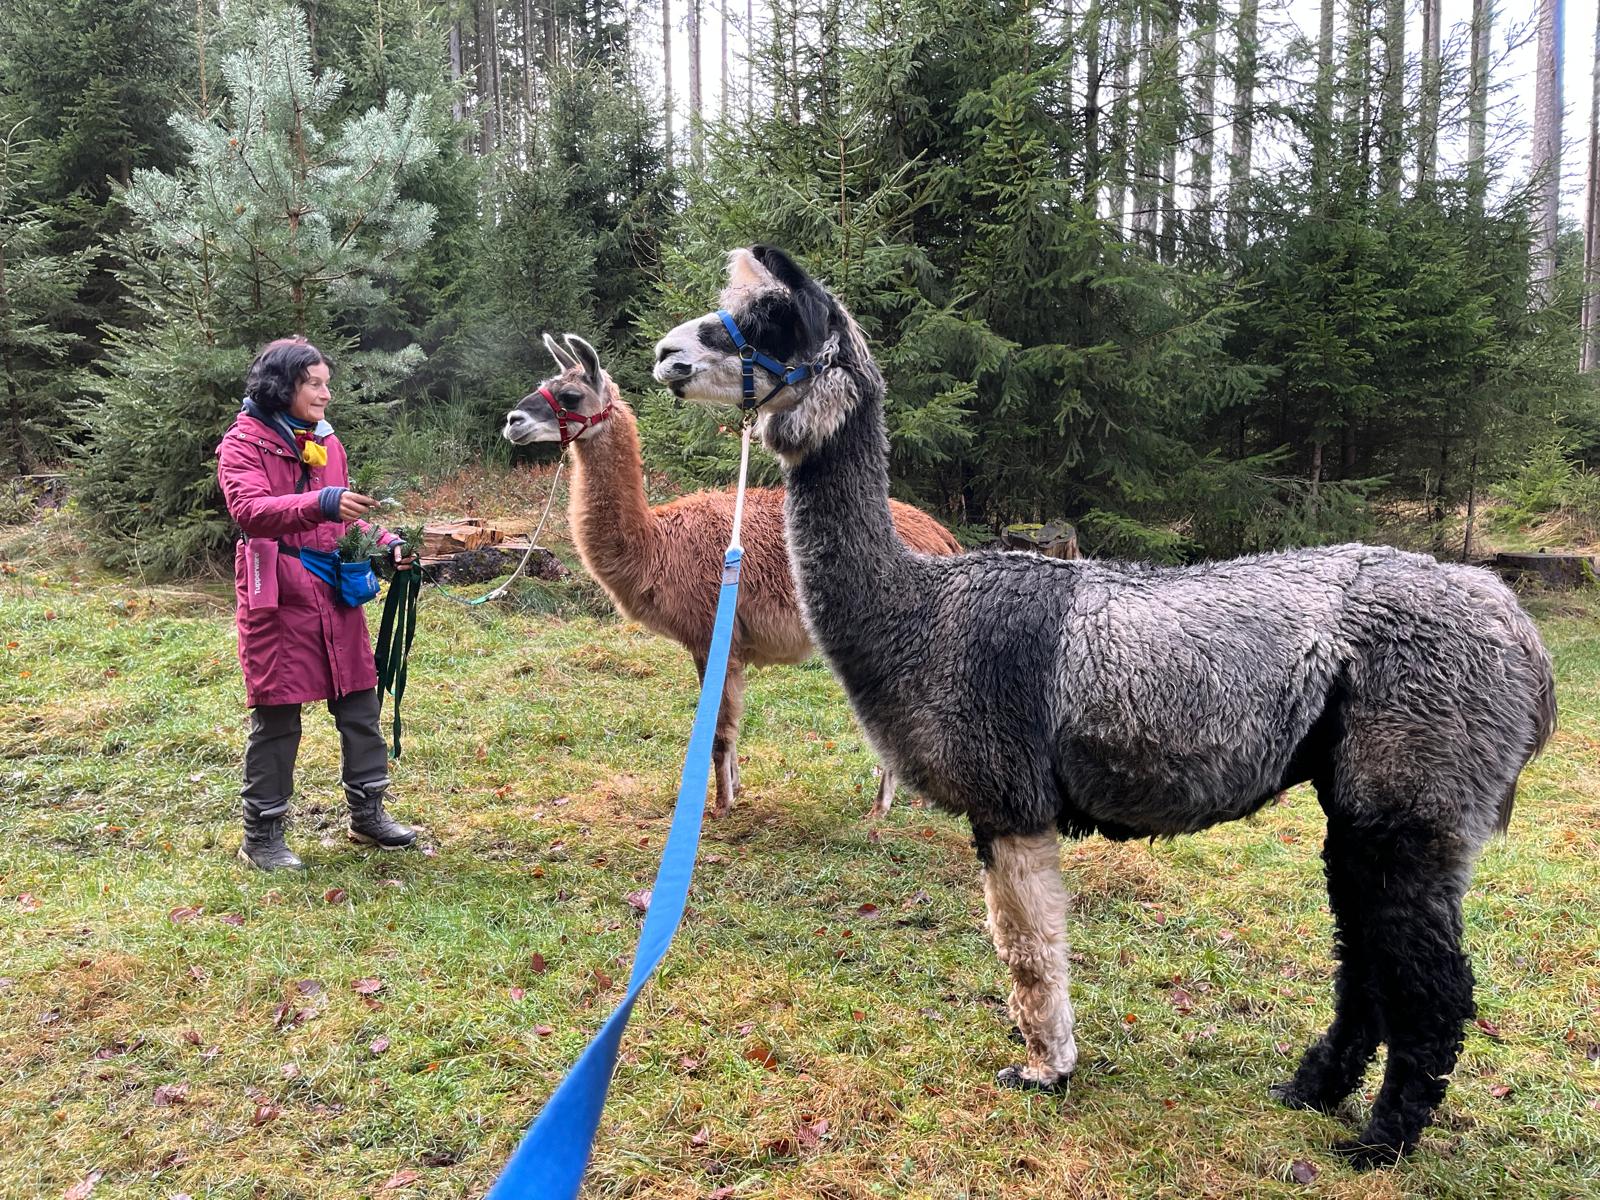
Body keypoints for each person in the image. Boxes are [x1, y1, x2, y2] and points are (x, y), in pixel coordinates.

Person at [216, 337, 417, 871]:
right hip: (278, 596)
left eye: (327, 384)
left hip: (334, 594)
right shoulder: (243, 443)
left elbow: (345, 519)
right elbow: (250, 510)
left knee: (360, 703)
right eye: (314, 384)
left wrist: (387, 542)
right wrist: (322, 502)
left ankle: (368, 815)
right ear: (282, 385)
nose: (326, 394)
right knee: (277, 715)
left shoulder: (326, 440)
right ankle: (261, 837)